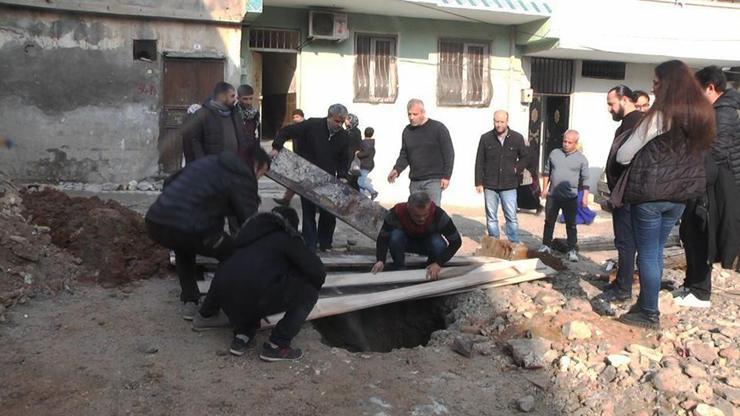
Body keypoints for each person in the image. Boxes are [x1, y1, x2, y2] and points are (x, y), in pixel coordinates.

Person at [612, 60, 714, 329]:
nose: (652, 87)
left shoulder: (662, 115)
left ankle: (648, 312)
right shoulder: (701, 114)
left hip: (650, 194)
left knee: (646, 253)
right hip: (680, 197)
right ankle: (645, 303)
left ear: (668, 84)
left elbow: (624, 155)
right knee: (655, 251)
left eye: (656, 82)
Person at [145, 147, 271, 319]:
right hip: (194, 227)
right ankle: (209, 310)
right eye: (261, 174)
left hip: (157, 221)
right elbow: (249, 220)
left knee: (184, 247)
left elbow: (169, 182)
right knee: (233, 256)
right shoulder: (242, 175)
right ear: (258, 164)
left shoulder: (208, 161)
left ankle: (190, 300)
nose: (258, 179)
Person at [192, 206, 325, 361]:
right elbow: (318, 271)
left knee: (254, 281)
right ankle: (277, 345)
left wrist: (206, 312)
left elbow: (223, 276)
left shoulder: (245, 238)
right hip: (256, 297)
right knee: (309, 291)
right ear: (289, 224)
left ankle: (242, 336)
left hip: (229, 300)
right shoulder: (286, 238)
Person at [673, 66, 740, 308]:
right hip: (702, 180)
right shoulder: (714, 110)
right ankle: (690, 285)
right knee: (690, 233)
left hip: (716, 185)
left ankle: (701, 293)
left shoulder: (726, 113)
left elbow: (716, 151)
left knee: (704, 234)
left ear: (710, 88)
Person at [271, 104, 350, 252]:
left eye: (342, 122)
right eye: (337, 121)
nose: (339, 125)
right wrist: (277, 147)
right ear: (329, 117)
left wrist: (343, 176)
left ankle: (325, 244)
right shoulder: (312, 125)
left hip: (328, 180)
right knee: (309, 212)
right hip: (307, 176)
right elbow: (286, 131)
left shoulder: (344, 136)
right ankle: (310, 245)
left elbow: (344, 159)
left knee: (328, 214)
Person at [594, 85, 644, 305]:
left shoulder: (637, 122)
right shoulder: (630, 122)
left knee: (626, 242)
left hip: (628, 192)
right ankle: (621, 281)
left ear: (624, 100)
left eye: (611, 103)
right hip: (622, 192)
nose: (609, 109)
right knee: (623, 241)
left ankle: (624, 288)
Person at [371, 192, 462, 280]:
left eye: (425, 215)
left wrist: (439, 263)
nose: (421, 219)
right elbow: (383, 237)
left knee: (439, 243)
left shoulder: (439, 215)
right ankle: (399, 269)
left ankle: (430, 268)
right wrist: (381, 260)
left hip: (427, 245)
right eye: (417, 216)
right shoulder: (397, 212)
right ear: (408, 208)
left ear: (429, 207)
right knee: (395, 236)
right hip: (406, 243)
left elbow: (456, 242)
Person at [387, 99, 454, 206]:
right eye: (409, 114)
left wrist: (447, 176)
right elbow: (404, 154)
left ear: (423, 112)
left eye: (415, 114)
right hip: (415, 181)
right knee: (415, 214)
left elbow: (449, 153)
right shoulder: (407, 131)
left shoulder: (438, 128)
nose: (411, 117)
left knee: (432, 213)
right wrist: (397, 169)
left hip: (433, 181)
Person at [474, 110, 528, 243]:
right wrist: (478, 182)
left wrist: (517, 168)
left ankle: (514, 243)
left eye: (501, 122)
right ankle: (494, 243)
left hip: (509, 184)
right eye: (496, 121)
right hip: (490, 184)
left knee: (511, 216)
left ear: (507, 122)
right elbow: (479, 160)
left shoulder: (517, 138)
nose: (498, 124)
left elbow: (526, 157)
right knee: (491, 216)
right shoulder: (485, 138)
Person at [538, 130, 590, 262]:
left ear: (576, 143)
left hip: (570, 197)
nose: (566, 144)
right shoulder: (554, 153)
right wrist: (544, 189)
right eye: (564, 141)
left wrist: (585, 197)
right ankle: (545, 245)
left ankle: (572, 249)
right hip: (553, 195)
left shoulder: (581, 159)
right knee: (549, 221)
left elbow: (586, 180)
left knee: (571, 224)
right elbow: (546, 172)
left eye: (569, 142)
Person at [181, 82, 251, 164]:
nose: (235, 99)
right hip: (212, 167)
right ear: (222, 97)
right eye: (232, 96)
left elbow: (243, 138)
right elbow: (194, 144)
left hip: (234, 165)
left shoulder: (235, 114)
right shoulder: (202, 115)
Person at [695, 65, 740, 187]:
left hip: (729, 180)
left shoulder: (723, 112)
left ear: (710, 88)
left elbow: (717, 151)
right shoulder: (718, 109)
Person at [273, 109, 306, 207]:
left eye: (297, 117)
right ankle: (286, 199)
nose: (295, 119)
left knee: (304, 182)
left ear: (302, 117)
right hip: (298, 158)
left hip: (307, 159)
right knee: (294, 180)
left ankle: (287, 199)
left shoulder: (306, 127)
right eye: (294, 117)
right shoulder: (295, 128)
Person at [517, 135, 543, 215]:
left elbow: (531, 162)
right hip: (522, 174)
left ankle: (538, 206)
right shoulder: (522, 150)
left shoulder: (529, 150)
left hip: (528, 174)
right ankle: (520, 206)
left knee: (530, 193)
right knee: (521, 192)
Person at [357, 126, 378, 199]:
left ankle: (373, 192)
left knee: (361, 182)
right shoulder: (372, 143)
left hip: (365, 165)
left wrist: (357, 153)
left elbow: (365, 153)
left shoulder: (365, 143)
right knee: (361, 181)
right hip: (369, 164)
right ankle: (362, 198)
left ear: (364, 133)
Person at [345, 113, 363, 191]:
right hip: (346, 158)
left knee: (351, 180)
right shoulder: (347, 131)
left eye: (347, 119)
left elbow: (359, 144)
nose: (345, 121)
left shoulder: (355, 131)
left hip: (352, 159)